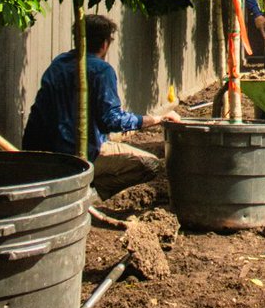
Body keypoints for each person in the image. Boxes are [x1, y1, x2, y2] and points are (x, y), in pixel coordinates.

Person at [22, 13, 182, 201]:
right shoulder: (101, 70)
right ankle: (89, 196)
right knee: (152, 165)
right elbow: (112, 121)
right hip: (78, 155)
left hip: (42, 152)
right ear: (105, 44)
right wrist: (157, 119)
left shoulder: (59, 63)